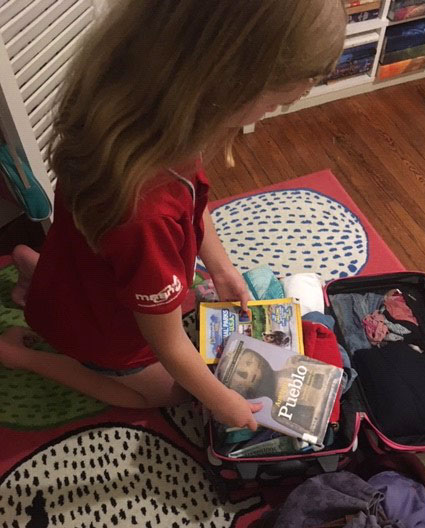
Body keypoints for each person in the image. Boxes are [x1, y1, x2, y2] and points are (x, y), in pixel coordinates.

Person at [0, 0, 346, 431]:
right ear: (224, 87)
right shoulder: (143, 213)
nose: (271, 113)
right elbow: (165, 342)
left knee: (160, 294)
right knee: (171, 392)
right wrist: (221, 401)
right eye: (273, 105)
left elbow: (194, 209)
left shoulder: (137, 118)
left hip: (76, 275)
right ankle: (25, 356)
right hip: (106, 333)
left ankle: (36, 279)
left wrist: (220, 268)